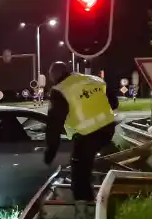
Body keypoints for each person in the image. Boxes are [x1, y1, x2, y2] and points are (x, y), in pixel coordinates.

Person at [42, 61, 118, 209]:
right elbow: (114, 103)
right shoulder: (94, 80)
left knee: (78, 170)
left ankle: (85, 207)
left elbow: (54, 125)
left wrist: (50, 152)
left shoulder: (60, 90)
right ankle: (98, 192)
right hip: (108, 129)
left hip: (88, 134)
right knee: (88, 161)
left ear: (53, 76)